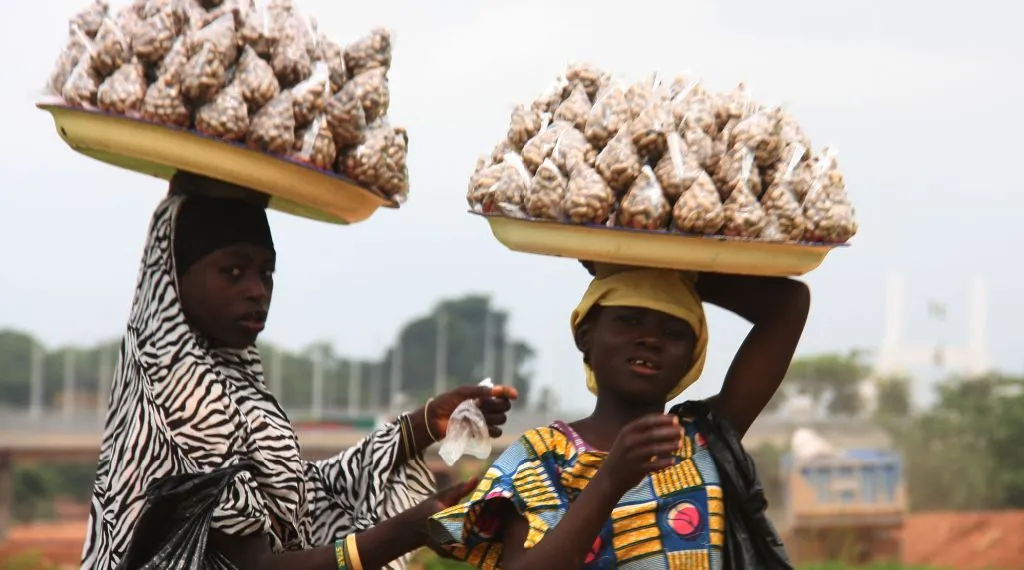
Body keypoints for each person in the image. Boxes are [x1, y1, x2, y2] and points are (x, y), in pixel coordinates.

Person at [81, 172, 518, 570]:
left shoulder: (230, 385)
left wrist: (424, 426)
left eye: (266, 273)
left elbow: (305, 496)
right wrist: (406, 530)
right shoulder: (182, 398)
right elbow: (257, 565)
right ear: (176, 277)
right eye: (232, 272)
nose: (256, 290)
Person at [428, 263, 810, 570]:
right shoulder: (539, 458)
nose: (650, 338)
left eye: (673, 331)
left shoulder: (700, 438)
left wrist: (674, 265)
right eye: (629, 320)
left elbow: (789, 302)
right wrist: (611, 480)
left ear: (691, 359)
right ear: (585, 336)